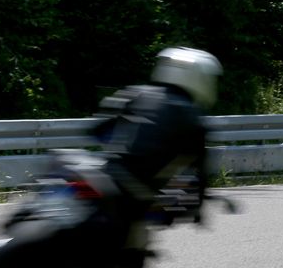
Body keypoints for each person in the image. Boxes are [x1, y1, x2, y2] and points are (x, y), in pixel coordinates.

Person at [94, 46, 223, 225]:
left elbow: (98, 131)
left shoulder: (135, 93)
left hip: (104, 175)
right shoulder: (190, 115)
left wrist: (118, 148)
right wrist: (197, 205)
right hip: (137, 190)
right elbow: (198, 170)